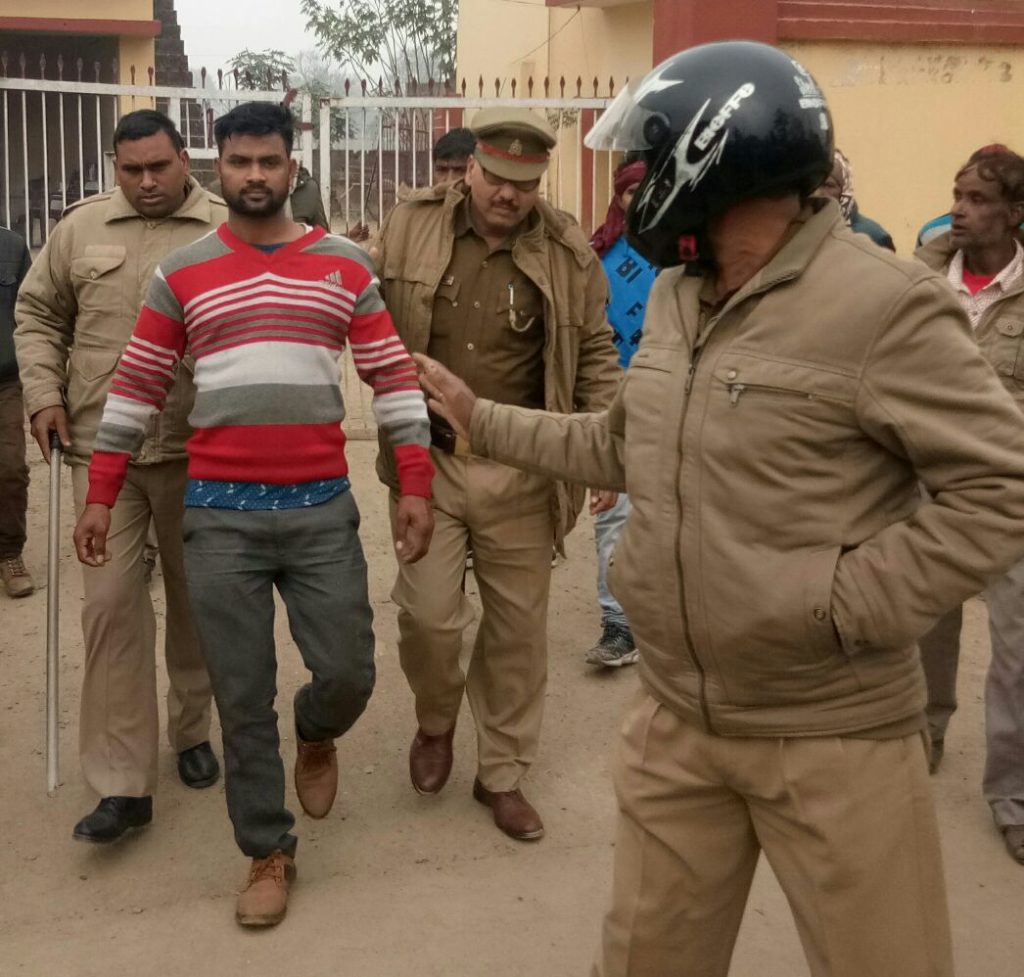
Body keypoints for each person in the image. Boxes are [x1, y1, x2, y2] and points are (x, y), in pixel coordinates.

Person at [414, 41, 1024, 977]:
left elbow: (999, 488)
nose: (633, 186)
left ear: (713, 158)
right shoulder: (675, 297)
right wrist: (477, 416)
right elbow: (619, 443)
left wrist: (843, 604)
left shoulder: (883, 306)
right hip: (678, 722)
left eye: (647, 163)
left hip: (834, 733)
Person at [73, 101, 434, 927]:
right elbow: (135, 386)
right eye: (240, 163)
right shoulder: (184, 273)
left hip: (319, 512)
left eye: (270, 161)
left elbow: (392, 376)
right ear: (218, 170)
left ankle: (315, 728)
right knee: (241, 696)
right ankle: (267, 849)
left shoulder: (345, 266)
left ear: (293, 167)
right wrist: (101, 493)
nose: (256, 176)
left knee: (348, 671)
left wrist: (414, 481)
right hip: (220, 519)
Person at [373, 107, 620, 841]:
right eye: (497, 177)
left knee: (517, 631)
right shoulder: (412, 225)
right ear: (470, 167)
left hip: (525, 466)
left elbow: (598, 352)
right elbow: (365, 316)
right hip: (431, 459)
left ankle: (502, 773)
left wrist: (604, 445)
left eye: (526, 182)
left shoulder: (571, 251)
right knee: (427, 615)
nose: (509, 195)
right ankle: (436, 717)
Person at [15, 109, 224, 842]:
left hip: (201, 449)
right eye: (130, 169)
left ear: (184, 159)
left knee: (197, 603)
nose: (145, 182)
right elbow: (38, 313)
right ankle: (122, 781)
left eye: (158, 167)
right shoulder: (79, 229)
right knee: (109, 609)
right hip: (102, 452)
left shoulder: (227, 228)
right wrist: (42, 393)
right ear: (115, 165)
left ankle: (192, 727)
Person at [914, 146, 1024, 865]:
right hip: (926, 484)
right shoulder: (924, 278)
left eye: (979, 198)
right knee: (925, 625)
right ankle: (923, 736)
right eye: (956, 194)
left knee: (1016, 650)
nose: (960, 207)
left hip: (1010, 494)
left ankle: (1011, 791)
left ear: (1016, 213)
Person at [583, 159, 657, 668]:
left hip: (679, 393)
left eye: (647, 191)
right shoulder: (595, 254)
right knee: (613, 512)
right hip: (616, 395)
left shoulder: (688, 252)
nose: (638, 201)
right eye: (629, 193)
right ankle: (618, 625)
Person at [0, 227, 33, 598]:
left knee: (10, 467)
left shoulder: (11, 247)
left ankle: (9, 553)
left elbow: (31, 315)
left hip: (5, 380)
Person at [915, 143, 1010, 246]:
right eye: (957, 197)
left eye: (977, 199)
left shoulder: (931, 231)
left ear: (1016, 212)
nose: (955, 211)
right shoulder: (932, 232)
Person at [817, 148, 895, 250]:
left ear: (845, 191)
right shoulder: (801, 232)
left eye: (828, 185)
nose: (818, 193)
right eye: (814, 184)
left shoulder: (873, 237)